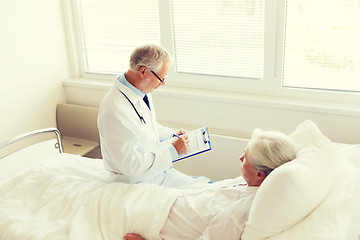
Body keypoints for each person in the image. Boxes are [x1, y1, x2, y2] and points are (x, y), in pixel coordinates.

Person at [123, 129, 297, 240]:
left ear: (260, 174)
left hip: (154, 220)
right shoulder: (247, 183)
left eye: (245, 158)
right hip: (164, 199)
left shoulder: (237, 213)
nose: (240, 159)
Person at [97, 44, 209, 187]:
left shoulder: (140, 91)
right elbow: (131, 166)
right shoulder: (114, 110)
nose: (163, 83)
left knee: (206, 184)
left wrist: (172, 135)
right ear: (143, 71)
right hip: (136, 183)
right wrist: (173, 151)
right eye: (161, 78)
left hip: (155, 172)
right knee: (203, 193)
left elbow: (146, 126)